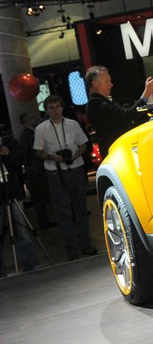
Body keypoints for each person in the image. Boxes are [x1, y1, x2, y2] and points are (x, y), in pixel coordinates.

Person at [33, 95, 97, 260]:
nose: (55, 110)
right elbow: (38, 152)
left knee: (81, 208)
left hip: (75, 168)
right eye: (51, 108)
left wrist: (75, 155)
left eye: (57, 107)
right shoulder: (41, 129)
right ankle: (71, 248)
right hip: (55, 172)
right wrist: (52, 157)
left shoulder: (73, 124)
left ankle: (85, 243)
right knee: (63, 212)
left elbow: (83, 144)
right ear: (47, 110)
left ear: (62, 108)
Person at [85, 66, 153, 158]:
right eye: (107, 82)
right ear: (95, 83)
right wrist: (146, 93)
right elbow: (127, 116)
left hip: (123, 149)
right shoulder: (95, 104)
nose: (111, 85)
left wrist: (149, 98)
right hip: (115, 153)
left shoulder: (106, 100)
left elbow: (130, 115)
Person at [0, 128, 41, 275]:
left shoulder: (7, 139)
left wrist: (8, 154)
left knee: (20, 229)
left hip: (12, 189)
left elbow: (20, 158)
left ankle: (30, 263)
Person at [18, 112, 55, 229]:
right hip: (36, 171)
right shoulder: (28, 135)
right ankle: (44, 221)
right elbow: (30, 153)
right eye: (31, 117)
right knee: (40, 198)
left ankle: (44, 220)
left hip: (36, 170)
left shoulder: (28, 134)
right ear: (25, 121)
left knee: (41, 198)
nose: (33, 119)